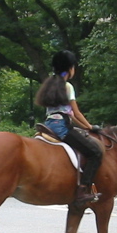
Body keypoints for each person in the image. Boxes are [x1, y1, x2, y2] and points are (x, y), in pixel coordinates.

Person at [35, 50, 103, 207]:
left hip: (49, 124)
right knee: (95, 152)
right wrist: (91, 127)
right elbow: (76, 112)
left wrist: (86, 127)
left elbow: (71, 115)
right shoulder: (67, 86)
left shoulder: (50, 85)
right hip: (62, 127)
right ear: (70, 68)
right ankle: (83, 190)